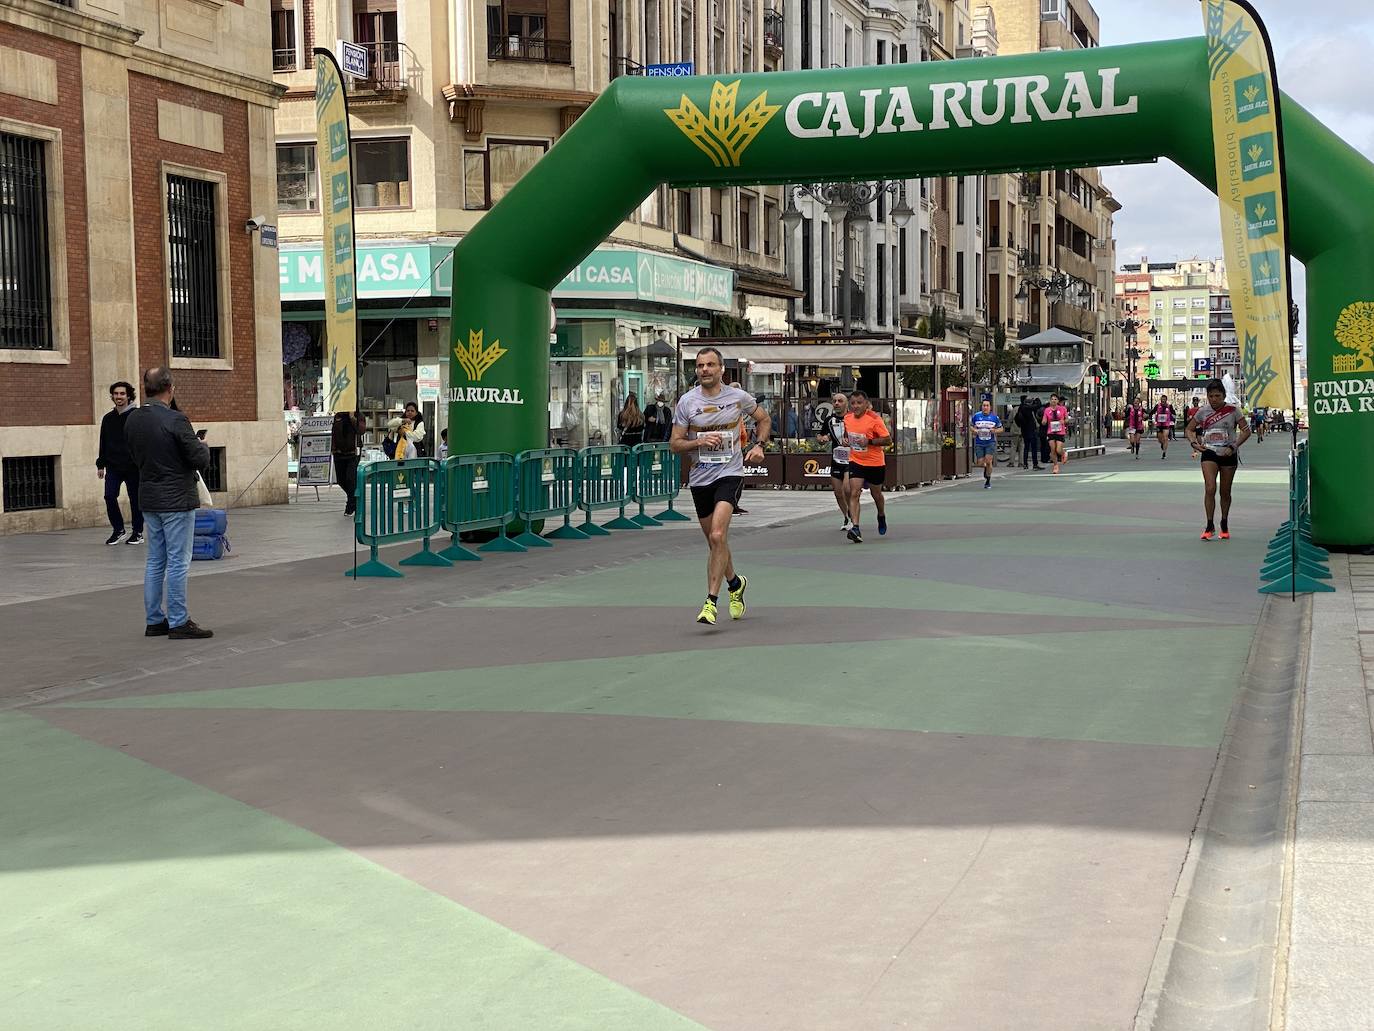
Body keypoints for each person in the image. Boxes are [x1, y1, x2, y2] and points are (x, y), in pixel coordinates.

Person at [669, 347, 770, 626]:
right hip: (700, 477)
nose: (704, 370)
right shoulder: (687, 402)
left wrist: (759, 445)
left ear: (721, 369)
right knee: (716, 542)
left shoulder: (738, 397)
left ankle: (710, 603)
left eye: (710, 365)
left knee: (716, 535)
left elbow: (763, 418)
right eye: (700, 365)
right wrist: (698, 442)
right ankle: (735, 584)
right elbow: (674, 444)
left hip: (730, 473)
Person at [124, 367, 213, 640]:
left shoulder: (132, 420)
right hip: (175, 497)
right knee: (178, 561)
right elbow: (199, 459)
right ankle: (178, 620)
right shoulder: (176, 419)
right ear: (170, 388)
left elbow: (134, 456)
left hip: (149, 496)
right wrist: (203, 445)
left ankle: (154, 619)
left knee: (155, 560)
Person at [1185, 378, 1251, 541]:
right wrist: (1194, 443)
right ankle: (1209, 525)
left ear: (1223, 396)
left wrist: (1234, 446)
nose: (1214, 399)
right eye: (1211, 396)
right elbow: (1189, 429)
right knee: (1210, 487)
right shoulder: (1203, 412)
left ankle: (1224, 522)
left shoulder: (1233, 411)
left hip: (1228, 452)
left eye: (1217, 396)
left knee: (1225, 491)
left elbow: (1246, 431)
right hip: (1209, 452)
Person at [97, 381, 144, 546]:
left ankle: (138, 532)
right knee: (109, 496)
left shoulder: (136, 416)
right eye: (116, 394)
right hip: (113, 466)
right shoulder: (108, 418)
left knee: (135, 500)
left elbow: (142, 441)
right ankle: (118, 530)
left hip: (133, 466)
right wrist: (100, 464)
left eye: (122, 394)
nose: (118, 397)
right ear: (112, 396)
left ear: (129, 395)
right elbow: (103, 441)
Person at [843, 390, 891, 543]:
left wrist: (869, 442)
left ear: (866, 404)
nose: (856, 406)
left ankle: (881, 514)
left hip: (875, 462)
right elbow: (847, 434)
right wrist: (846, 440)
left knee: (876, 494)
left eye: (859, 403)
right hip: (856, 460)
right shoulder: (847, 418)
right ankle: (855, 527)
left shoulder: (874, 419)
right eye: (853, 403)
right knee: (854, 492)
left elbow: (887, 440)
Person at [819, 392, 852, 529]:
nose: (837, 403)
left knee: (847, 489)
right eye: (834, 401)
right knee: (838, 492)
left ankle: (853, 516)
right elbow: (821, 435)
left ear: (846, 403)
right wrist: (822, 439)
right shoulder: (829, 420)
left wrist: (851, 441)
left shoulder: (852, 418)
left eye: (840, 401)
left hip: (852, 459)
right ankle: (847, 517)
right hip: (836, 458)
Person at [330, 410, 360, 516]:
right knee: (341, 480)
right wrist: (333, 449)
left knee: (350, 479)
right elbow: (334, 433)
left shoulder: (357, 415)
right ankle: (355, 498)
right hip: (339, 453)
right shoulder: (338, 416)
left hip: (352, 453)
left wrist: (352, 418)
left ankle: (350, 506)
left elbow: (361, 430)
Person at [971, 397, 1004, 489]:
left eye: (987, 406)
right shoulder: (976, 416)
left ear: (990, 407)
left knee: (989, 461)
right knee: (980, 463)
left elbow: (1001, 428)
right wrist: (975, 430)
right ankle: (985, 468)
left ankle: (988, 480)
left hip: (990, 442)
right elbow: (971, 426)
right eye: (984, 405)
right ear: (981, 407)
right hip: (979, 442)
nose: (985, 407)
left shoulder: (994, 418)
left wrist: (995, 431)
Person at [1041, 393, 1070, 474]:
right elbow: (1044, 420)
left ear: (1058, 401)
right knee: (1052, 449)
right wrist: (1043, 422)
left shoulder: (1062, 409)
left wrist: (1063, 421)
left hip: (1060, 431)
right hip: (1051, 431)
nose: (1053, 401)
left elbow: (1067, 420)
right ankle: (1055, 466)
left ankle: (1063, 453)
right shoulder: (1047, 410)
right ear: (1050, 401)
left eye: (1055, 399)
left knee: (1058, 449)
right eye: (1052, 399)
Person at [1014, 395, 1041, 470]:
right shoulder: (1026, 408)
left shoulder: (1020, 408)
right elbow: (1038, 405)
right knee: (1033, 448)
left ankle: (1025, 464)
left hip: (1024, 430)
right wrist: (1037, 399)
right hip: (1031, 430)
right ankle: (1035, 464)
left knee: (1026, 447)